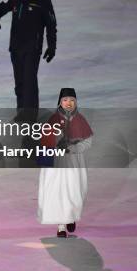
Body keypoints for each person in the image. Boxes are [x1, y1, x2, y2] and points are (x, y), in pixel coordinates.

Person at [0, 0, 57, 121]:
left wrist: (52, 46)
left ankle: (30, 115)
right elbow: (1, 7)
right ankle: (22, 113)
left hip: (32, 48)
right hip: (15, 47)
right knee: (20, 82)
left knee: (29, 82)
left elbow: (51, 25)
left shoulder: (43, 1)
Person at [38, 88, 93, 238]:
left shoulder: (80, 119)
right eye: (65, 100)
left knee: (76, 192)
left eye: (72, 100)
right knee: (59, 193)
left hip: (75, 162)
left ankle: (71, 216)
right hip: (58, 163)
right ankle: (61, 226)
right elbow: (46, 142)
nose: (69, 103)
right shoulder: (53, 120)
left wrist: (75, 147)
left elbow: (88, 140)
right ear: (60, 102)